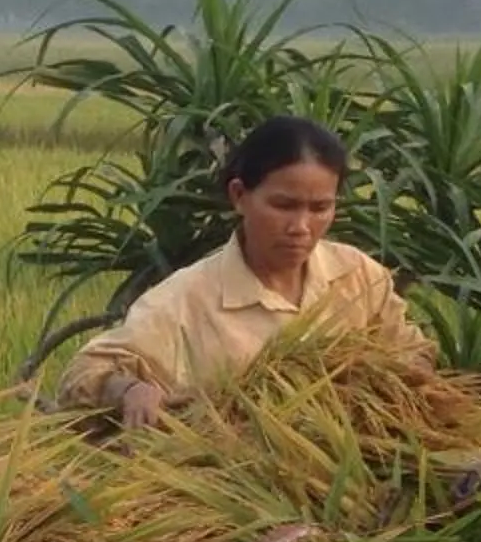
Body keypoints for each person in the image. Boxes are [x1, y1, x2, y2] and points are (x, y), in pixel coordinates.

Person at [57, 114, 437, 428]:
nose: (301, 227)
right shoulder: (184, 301)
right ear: (239, 195)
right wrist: (129, 390)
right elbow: (86, 371)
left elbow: (412, 353)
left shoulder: (357, 276)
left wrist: (395, 387)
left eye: (320, 208)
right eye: (284, 205)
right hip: (231, 482)